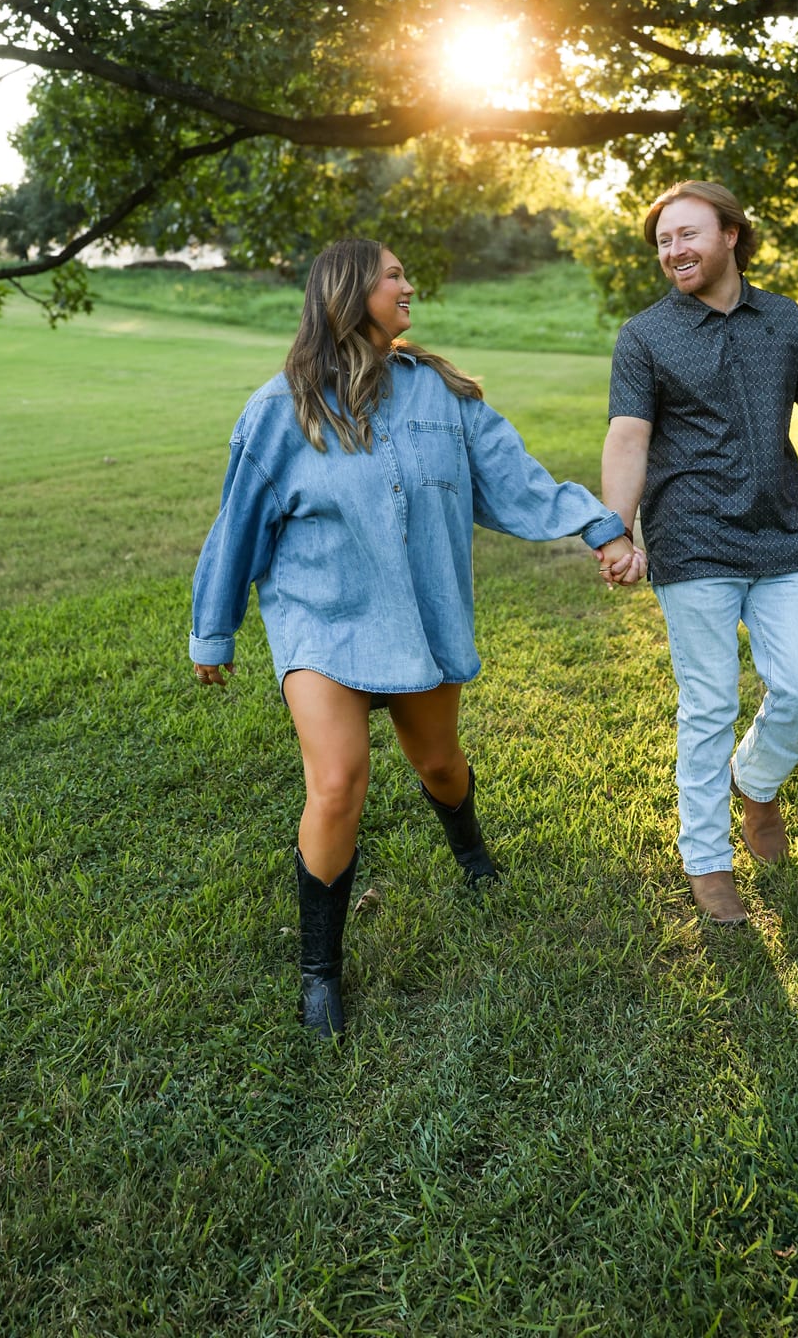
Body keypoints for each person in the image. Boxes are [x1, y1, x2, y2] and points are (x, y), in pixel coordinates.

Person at [190, 237, 635, 1039]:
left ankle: (470, 853)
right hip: (319, 616)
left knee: (438, 761)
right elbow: (241, 520)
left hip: (418, 618)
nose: (408, 285)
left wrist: (598, 525)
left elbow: (515, 480)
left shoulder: (442, 394)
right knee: (337, 783)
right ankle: (320, 974)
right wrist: (212, 630)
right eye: (394, 275)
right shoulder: (283, 407)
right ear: (351, 290)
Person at [600, 182, 798, 925]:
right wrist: (617, 528)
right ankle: (707, 861)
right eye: (663, 242)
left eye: (687, 235)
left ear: (732, 234)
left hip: (779, 533)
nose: (673, 251)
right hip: (690, 535)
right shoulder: (644, 335)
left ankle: (757, 783)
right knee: (708, 705)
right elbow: (628, 435)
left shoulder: (783, 319)